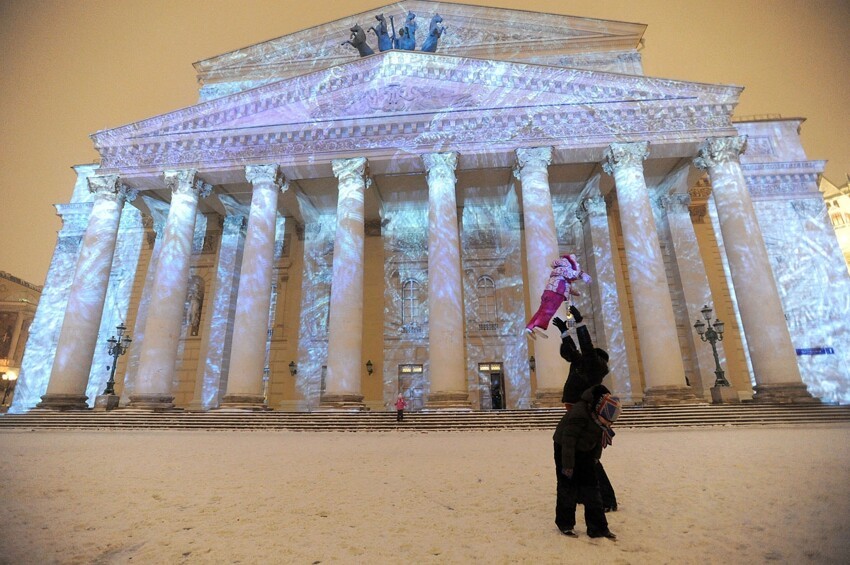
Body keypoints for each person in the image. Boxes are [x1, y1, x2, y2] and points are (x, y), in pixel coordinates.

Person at [553, 305, 618, 512]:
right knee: (582, 457)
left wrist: (580, 324)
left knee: (589, 459)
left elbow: (586, 347)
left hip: (583, 413)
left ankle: (606, 499)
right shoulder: (583, 363)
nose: (584, 355)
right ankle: (590, 495)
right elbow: (572, 352)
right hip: (574, 409)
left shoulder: (594, 367)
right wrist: (564, 332)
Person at [553, 384, 621, 539]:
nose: (608, 424)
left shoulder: (600, 418)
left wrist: (595, 458)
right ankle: (565, 524)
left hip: (585, 448)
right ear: (599, 411)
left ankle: (598, 528)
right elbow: (568, 440)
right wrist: (568, 466)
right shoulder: (580, 414)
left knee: (592, 487)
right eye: (607, 420)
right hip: (564, 447)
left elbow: (597, 440)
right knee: (567, 486)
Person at [525, 254, 591, 340]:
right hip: (556, 293)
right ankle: (538, 326)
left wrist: (574, 292)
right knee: (548, 311)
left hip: (550, 292)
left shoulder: (558, 271)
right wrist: (582, 275)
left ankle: (530, 327)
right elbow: (572, 274)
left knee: (541, 311)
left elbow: (566, 285)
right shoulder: (564, 269)